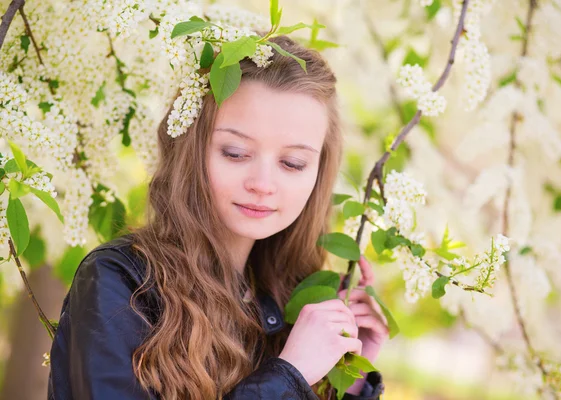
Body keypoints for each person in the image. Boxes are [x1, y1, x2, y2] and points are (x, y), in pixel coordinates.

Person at [47, 35, 387, 399]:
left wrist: (346, 380)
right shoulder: (122, 283)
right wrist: (291, 373)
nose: (262, 184)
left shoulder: (287, 302)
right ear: (192, 151)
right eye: (235, 153)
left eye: (292, 163)